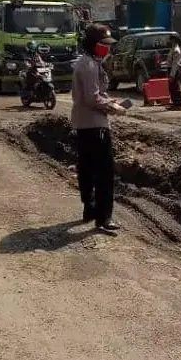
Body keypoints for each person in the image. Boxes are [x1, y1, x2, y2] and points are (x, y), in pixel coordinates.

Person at [71, 23, 126, 234]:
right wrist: (114, 107)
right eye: (105, 44)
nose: (108, 48)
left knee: (86, 169)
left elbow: (95, 94)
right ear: (95, 44)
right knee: (104, 172)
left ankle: (90, 208)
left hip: (84, 123)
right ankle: (104, 217)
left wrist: (111, 99)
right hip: (96, 125)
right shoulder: (90, 65)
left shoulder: (88, 62)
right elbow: (92, 98)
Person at [166, 35, 181, 111]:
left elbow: (175, 64)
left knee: (175, 87)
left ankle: (177, 104)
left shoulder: (176, 50)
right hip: (171, 69)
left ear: (174, 40)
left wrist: (172, 75)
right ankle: (174, 104)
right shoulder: (173, 49)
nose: (169, 41)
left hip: (174, 70)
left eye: (171, 40)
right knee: (172, 88)